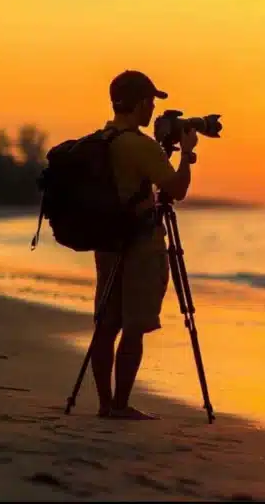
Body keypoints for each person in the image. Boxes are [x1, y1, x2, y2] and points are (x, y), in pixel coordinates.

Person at [92, 70, 198, 420]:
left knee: (107, 324)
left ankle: (105, 403)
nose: (153, 109)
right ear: (139, 103)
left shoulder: (103, 140)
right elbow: (176, 190)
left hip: (107, 241)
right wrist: (185, 153)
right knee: (134, 326)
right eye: (151, 101)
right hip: (139, 245)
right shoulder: (140, 146)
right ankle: (120, 406)